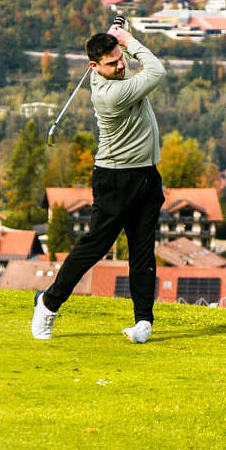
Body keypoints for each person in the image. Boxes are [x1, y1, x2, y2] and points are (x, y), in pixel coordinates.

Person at [31, 21, 166, 343]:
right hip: (115, 178)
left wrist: (119, 36)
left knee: (143, 251)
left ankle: (143, 321)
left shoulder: (115, 74)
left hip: (147, 174)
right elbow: (157, 71)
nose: (121, 66)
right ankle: (48, 305)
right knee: (96, 246)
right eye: (112, 63)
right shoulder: (110, 94)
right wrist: (129, 40)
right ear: (94, 67)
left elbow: (132, 63)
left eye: (121, 59)